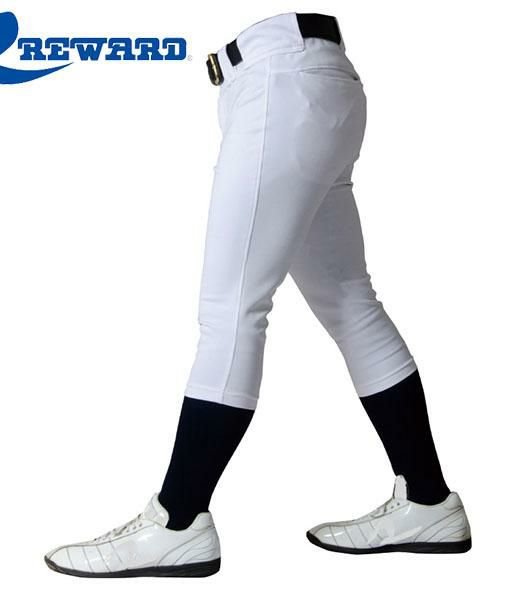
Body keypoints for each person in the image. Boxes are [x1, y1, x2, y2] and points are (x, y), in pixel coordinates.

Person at [44, 12, 471, 578]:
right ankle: (427, 499)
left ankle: (177, 520)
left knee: (232, 308)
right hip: (317, 76)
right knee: (350, 301)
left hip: (278, 78)